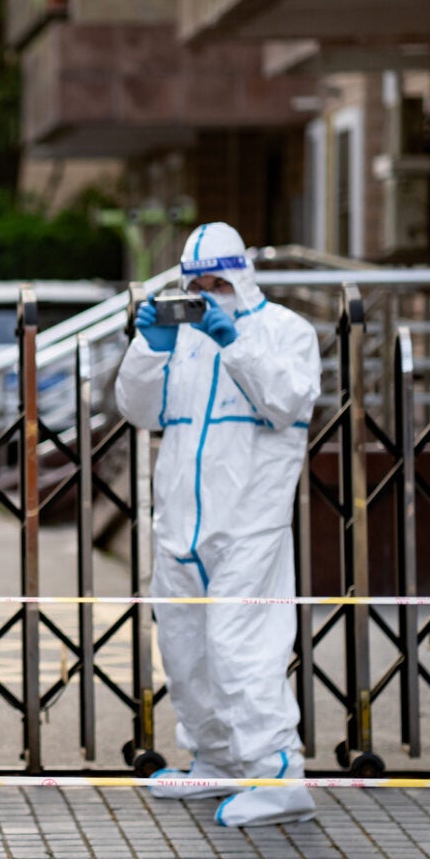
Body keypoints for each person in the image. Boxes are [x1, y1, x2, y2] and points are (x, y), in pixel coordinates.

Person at [115, 222, 323, 827]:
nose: (207, 291)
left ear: (239, 274)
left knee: (242, 650)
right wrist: (149, 345)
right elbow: (138, 411)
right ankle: (217, 760)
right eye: (195, 282)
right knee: (183, 649)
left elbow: (287, 402)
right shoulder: (181, 338)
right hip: (180, 522)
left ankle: (279, 776)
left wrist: (234, 341)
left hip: (249, 525)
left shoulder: (285, 331)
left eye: (217, 280)